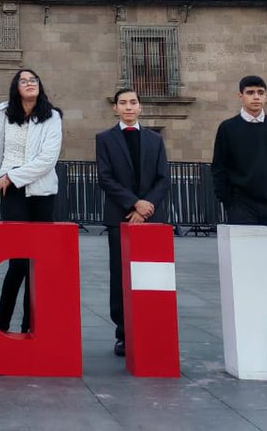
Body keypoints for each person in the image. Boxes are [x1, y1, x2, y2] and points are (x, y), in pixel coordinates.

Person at [0, 68, 63, 334]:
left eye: (34, 79)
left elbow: (48, 158)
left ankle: (31, 325)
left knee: (39, 262)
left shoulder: (52, 117)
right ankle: (2, 324)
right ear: (16, 87)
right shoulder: (0, 114)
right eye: (23, 80)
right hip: (10, 192)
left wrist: (13, 176)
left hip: (42, 192)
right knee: (17, 261)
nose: (29, 83)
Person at [96, 87, 170, 356]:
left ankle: (151, 331)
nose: (128, 107)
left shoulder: (155, 139)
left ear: (140, 107)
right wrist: (133, 203)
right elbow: (105, 177)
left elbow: (164, 177)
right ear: (115, 108)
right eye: (123, 103)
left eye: (133, 102)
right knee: (120, 277)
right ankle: (123, 334)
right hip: (120, 217)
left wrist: (145, 208)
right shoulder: (104, 139)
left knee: (153, 278)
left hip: (150, 218)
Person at [211, 74, 267, 245]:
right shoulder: (228, 129)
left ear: (266, 97)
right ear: (240, 96)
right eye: (250, 92)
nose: (256, 97)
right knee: (244, 258)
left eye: (260, 92)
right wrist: (229, 202)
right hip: (241, 206)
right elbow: (219, 167)